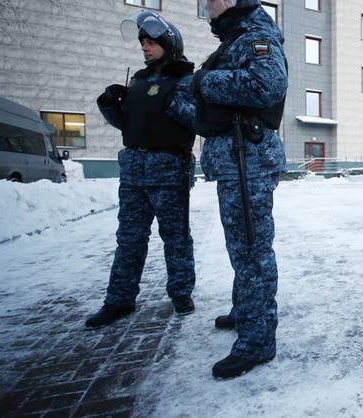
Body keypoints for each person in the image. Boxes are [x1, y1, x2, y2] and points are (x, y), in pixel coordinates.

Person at [191, 0, 287, 378]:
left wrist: (204, 82)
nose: (204, 4)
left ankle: (258, 341)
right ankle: (245, 312)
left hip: (248, 161)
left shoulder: (257, 35)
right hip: (234, 160)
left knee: (252, 252)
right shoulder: (235, 38)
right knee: (243, 249)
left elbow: (268, 84)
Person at [86, 10, 199, 328]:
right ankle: (119, 301)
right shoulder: (139, 79)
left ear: (168, 43)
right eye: (142, 42)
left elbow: (196, 119)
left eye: (151, 42)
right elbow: (127, 125)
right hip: (134, 170)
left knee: (175, 237)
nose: (144, 48)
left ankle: (180, 293)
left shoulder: (185, 79)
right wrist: (112, 105)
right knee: (129, 238)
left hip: (168, 170)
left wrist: (165, 102)